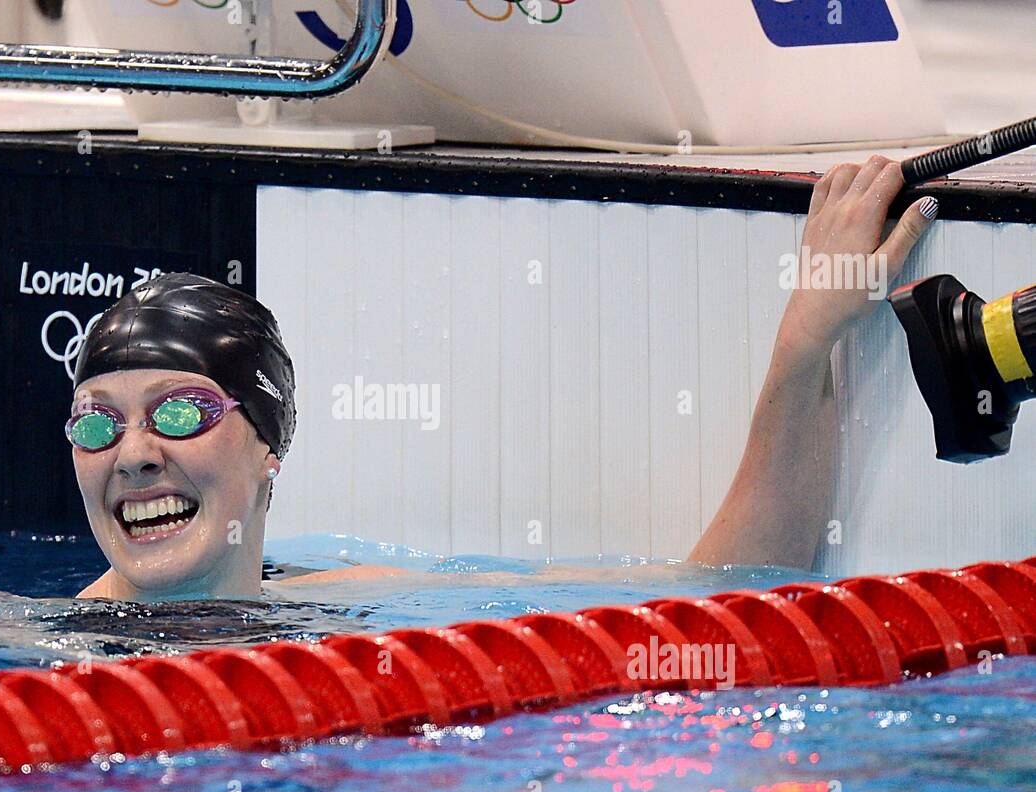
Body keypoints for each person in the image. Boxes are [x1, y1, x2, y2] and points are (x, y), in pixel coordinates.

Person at [68, 155, 937, 600]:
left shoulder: (357, 609)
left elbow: (720, 587)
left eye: (179, 412)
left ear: (269, 450)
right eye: (98, 423)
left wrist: (807, 339)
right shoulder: (20, 652)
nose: (134, 453)